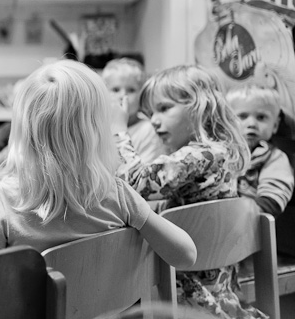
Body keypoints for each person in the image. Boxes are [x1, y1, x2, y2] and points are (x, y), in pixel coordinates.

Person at [0, 60, 197, 275]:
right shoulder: (118, 195)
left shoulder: (1, 202)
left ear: (23, 131)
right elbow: (186, 255)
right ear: (96, 131)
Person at [111, 65, 266, 319]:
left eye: (163, 108)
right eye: (150, 113)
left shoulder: (201, 155)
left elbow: (134, 183)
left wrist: (118, 130)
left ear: (200, 106)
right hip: (219, 296)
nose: (154, 121)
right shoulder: (224, 152)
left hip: (189, 300)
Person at [226, 84, 294, 217]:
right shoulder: (221, 152)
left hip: (251, 223)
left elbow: (273, 198)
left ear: (275, 125)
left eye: (261, 117)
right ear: (228, 121)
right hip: (215, 218)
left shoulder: (274, 157)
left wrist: (247, 215)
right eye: (243, 116)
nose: (251, 123)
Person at [101, 58, 166, 163]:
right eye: (115, 89)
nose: (123, 96)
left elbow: (141, 174)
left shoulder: (148, 130)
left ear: (141, 95)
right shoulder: (99, 126)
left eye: (131, 90)